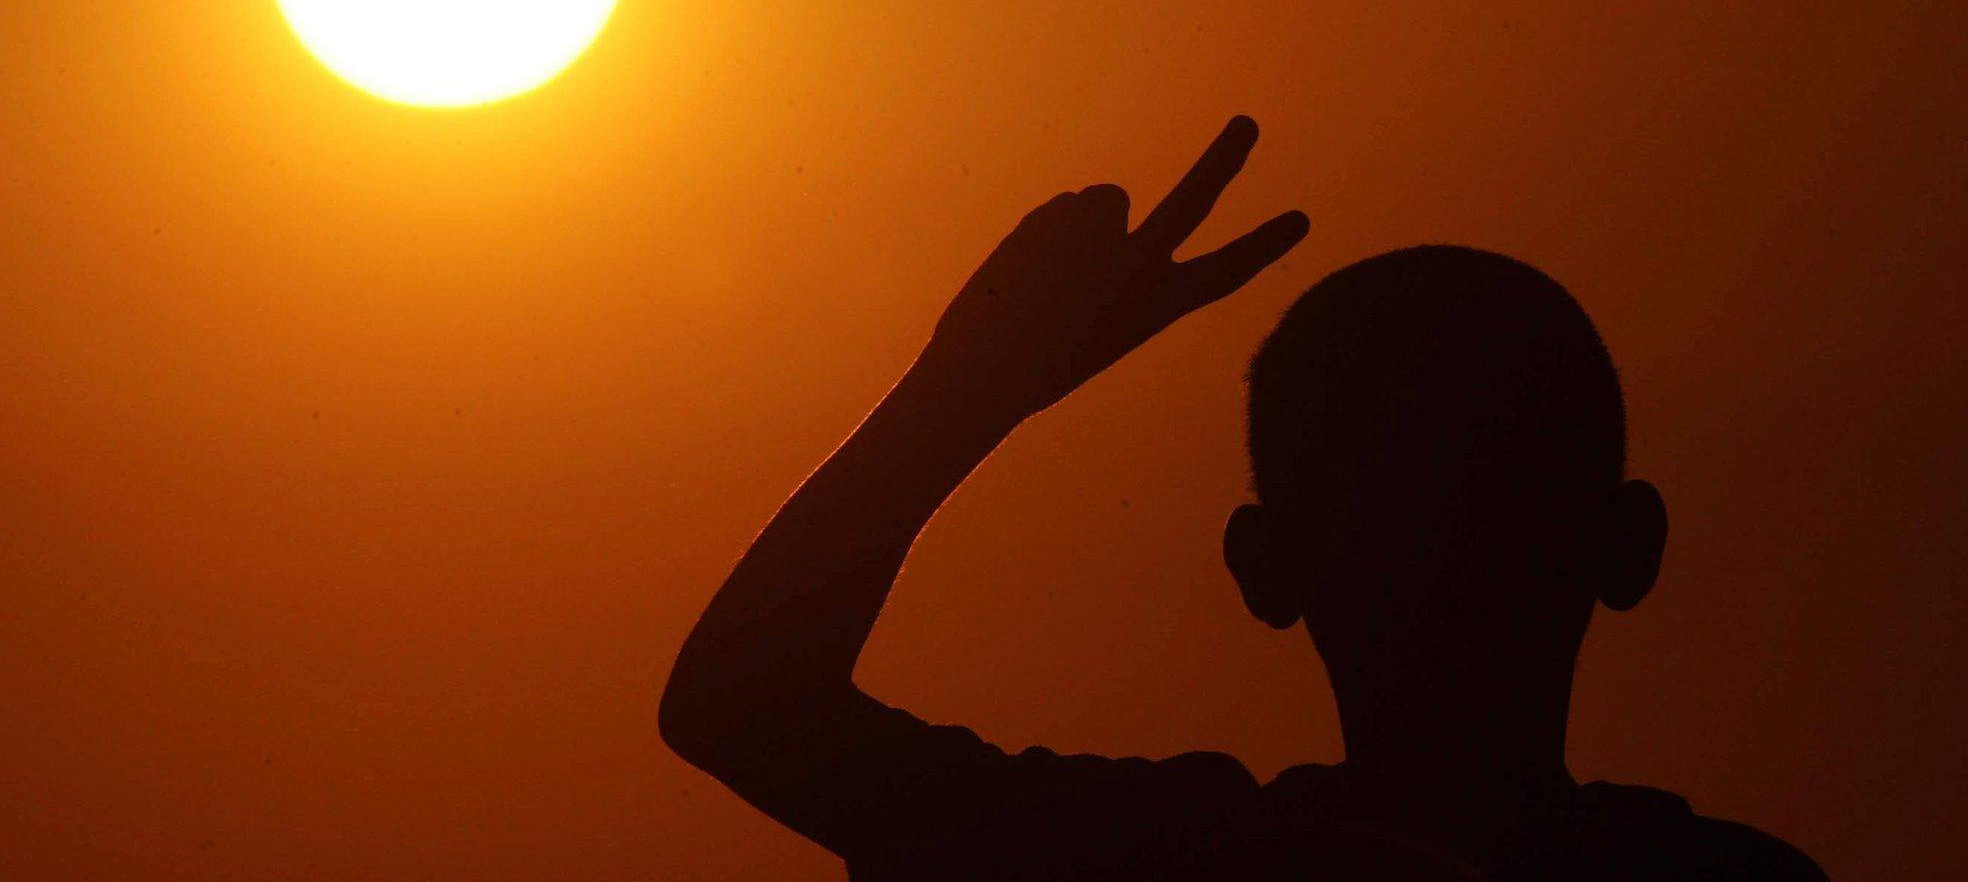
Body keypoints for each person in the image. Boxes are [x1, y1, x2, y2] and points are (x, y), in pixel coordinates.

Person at [657, 117, 1825, 880]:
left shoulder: (1156, 861)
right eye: (1409, 509)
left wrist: (970, 392)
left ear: (1260, 566)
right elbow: (736, 713)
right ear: (1627, 548)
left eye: (1474, 498)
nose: (1446, 558)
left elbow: (745, 708)